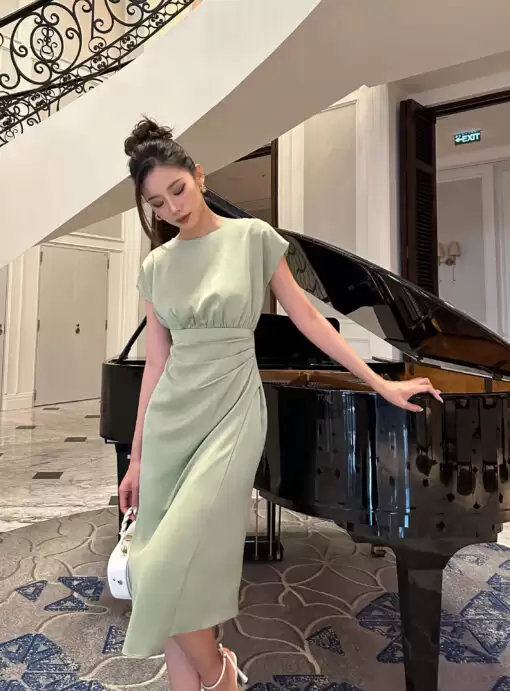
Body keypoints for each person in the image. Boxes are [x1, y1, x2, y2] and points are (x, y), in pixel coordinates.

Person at [118, 117, 443, 691]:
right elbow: (156, 362)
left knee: (161, 566)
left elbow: (310, 319)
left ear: (199, 175)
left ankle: (220, 674)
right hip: (171, 422)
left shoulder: (253, 238)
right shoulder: (155, 267)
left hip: (231, 414)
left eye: (178, 189)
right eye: (157, 203)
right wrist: (138, 456)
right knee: (174, 575)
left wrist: (381, 383)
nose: (172, 208)